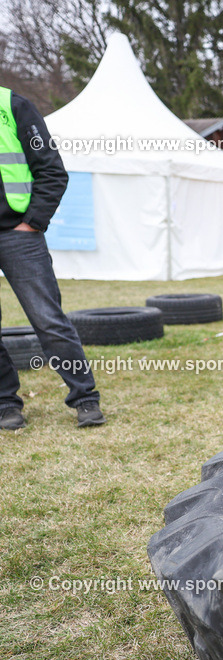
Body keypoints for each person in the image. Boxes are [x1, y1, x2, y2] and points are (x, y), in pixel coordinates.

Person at [0, 86, 104, 429]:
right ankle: (6, 404)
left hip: (18, 234)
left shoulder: (12, 106)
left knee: (48, 321)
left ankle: (85, 398)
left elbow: (52, 171)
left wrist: (32, 222)